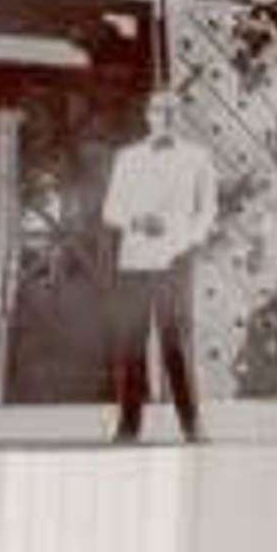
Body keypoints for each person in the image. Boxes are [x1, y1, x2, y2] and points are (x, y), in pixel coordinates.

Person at [100, 87, 218, 443]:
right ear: (148, 115)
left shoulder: (198, 158)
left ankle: (192, 423)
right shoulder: (128, 158)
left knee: (174, 342)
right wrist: (136, 221)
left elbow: (208, 210)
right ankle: (128, 425)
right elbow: (111, 210)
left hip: (174, 258)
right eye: (158, 111)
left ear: (179, 117)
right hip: (134, 258)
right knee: (131, 343)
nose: (164, 118)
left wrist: (187, 239)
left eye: (171, 112)